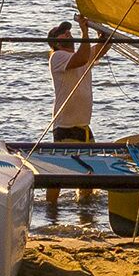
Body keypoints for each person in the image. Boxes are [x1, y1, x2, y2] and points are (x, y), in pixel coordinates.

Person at [43, 21, 110, 220]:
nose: (67, 34)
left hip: (84, 126)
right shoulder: (58, 57)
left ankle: (85, 214)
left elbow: (100, 50)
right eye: (63, 33)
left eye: (68, 32)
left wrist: (103, 34)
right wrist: (85, 31)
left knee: (90, 174)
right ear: (55, 42)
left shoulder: (81, 53)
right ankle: (51, 213)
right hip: (66, 126)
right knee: (59, 176)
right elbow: (82, 58)